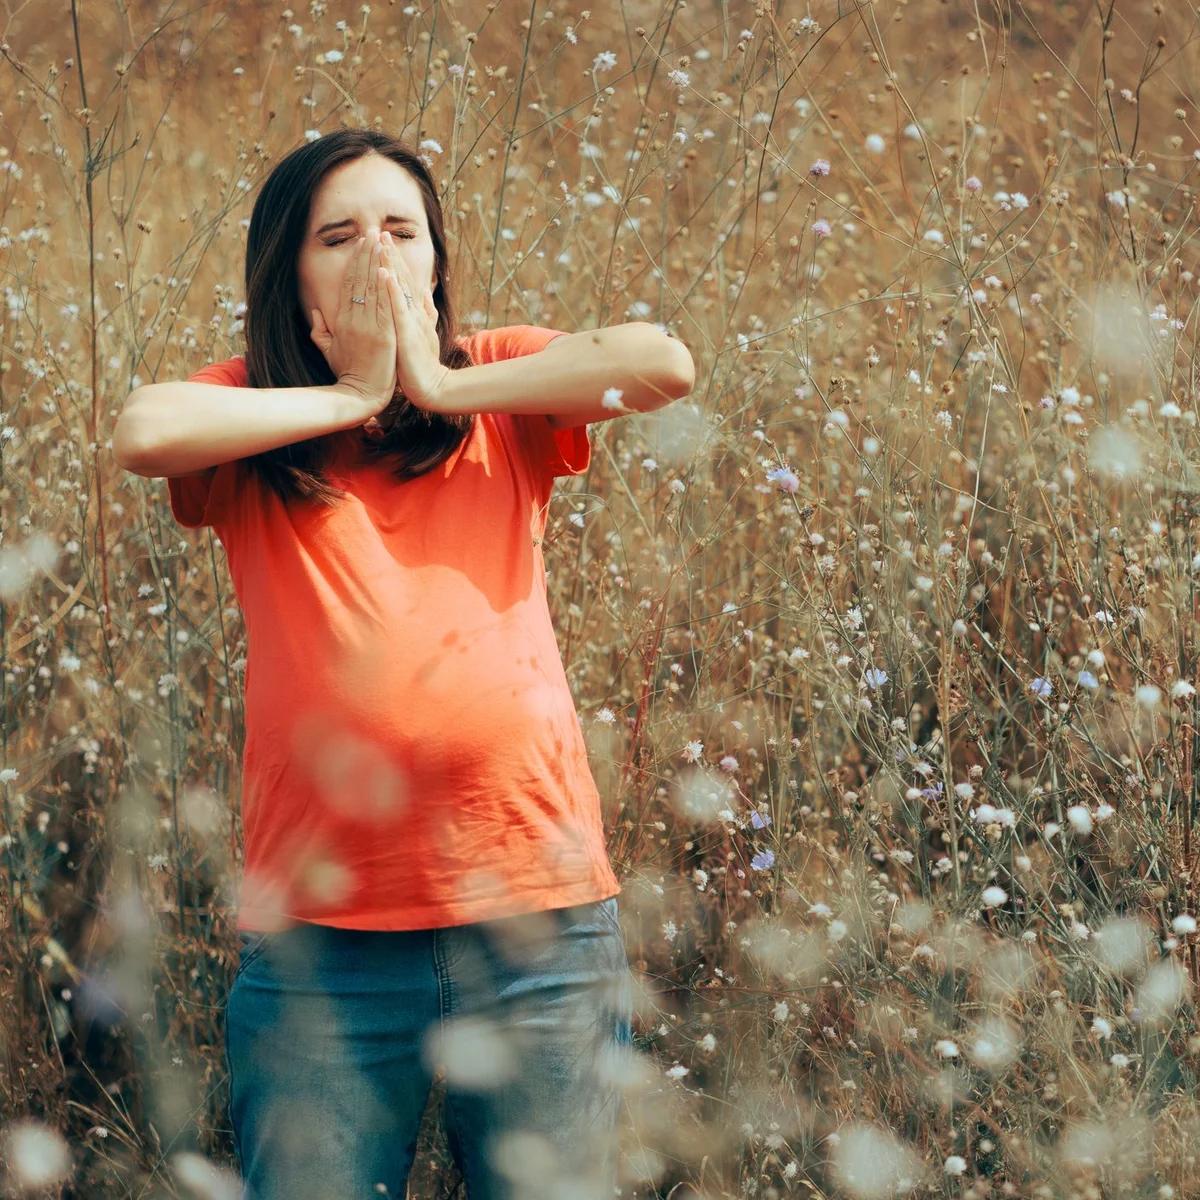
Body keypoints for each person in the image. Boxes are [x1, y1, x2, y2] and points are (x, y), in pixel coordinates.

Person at [113, 128, 693, 1200]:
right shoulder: (249, 413)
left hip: (538, 926)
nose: (375, 256)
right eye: (337, 236)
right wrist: (349, 396)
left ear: (436, 262)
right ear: (289, 275)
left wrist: (431, 381)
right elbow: (145, 427)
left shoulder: (504, 381)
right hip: (322, 948)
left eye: (399, 230)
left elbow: (662, 362)